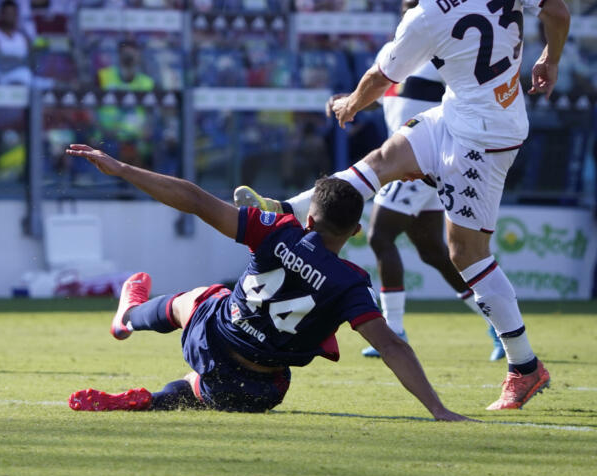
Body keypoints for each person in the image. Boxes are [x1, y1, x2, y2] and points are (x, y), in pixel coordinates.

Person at [233, 0, 570, 410]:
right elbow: (557, 11)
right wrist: (550, 60)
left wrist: (350, 103)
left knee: (465, 255)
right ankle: (283, 205)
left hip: (483, 138)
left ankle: (523, 365)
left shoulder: (428, 12)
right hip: (462, 114)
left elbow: (379, 74)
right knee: (378, 163)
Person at [64, 144, 469, 421]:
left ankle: (130, 318)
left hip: (214, 341)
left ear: (310, 219)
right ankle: (155, 399)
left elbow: (196, 199)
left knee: (205, 297)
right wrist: (438, 409)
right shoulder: (352, 285)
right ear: (356, 231)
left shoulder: (276, 230)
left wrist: (121, 169)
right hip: (263, 388)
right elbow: (392, 346)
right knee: (219, 385)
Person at [344, 0, 504, 361]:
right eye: (406, 6)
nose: (411, 11)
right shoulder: (397, 55)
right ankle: (497, 325)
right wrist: (347, 101)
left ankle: (394, 327)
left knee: (381, 235)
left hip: (420, 163)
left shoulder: (438, 54)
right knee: (434, 251)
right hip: (418, 163)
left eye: (418, 6)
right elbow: (391, 99)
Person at [0, 0, 33, 86]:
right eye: (8, 13)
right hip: (3, 78)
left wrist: (10, 59)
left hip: (27, 77)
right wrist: (21, 61)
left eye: (13, 14)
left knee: (54, 85)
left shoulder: (24, 37)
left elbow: (31, 62)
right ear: (1, 15)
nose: (11, 16)